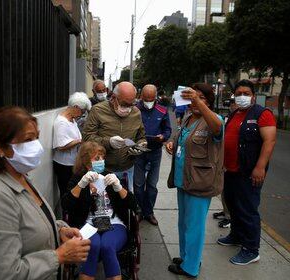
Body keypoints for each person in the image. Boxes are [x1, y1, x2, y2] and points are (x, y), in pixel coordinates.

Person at [0, 106, 91, 280]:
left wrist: (58, 230)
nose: (36, 146)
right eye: (28, 140)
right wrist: (58, 256)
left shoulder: (21, 178)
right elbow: (7, 274)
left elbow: (29, 222)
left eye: (36, 138)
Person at [165, 84, 224, 278]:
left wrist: (197, 101)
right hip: (184, 179)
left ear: (208, 101)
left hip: (200, 182)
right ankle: (186, 258)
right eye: (193, 98)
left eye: (201, 98)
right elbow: (182, 137)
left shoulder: (214, 120)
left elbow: (217, 128)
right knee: (184, 223)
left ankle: (191, 268)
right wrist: (173, 143)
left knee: (195, 226)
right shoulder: (189, 117)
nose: (196, 102)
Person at [217, 79, 276, 265]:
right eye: (239, 93)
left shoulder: (262, 114)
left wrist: (260, 167)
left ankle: (251, 249)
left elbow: (269, 141)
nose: (242, 96)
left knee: (248, 210)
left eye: (246, 93)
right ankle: (236, 235)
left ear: (253, 95)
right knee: (233, 205)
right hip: (231, 170)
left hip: (248, 171)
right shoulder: (235, 114)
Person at [62, 141, 137, 280]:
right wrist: (81, 185)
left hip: (114, 222)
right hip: (87, 224)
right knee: (93, 244)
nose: (101, 161)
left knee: (107, 246)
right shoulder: (78, 179)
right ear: (85, 160)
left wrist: (118, 187)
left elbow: (133, 205)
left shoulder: (109, 176)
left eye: (102, 157)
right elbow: (66, 205)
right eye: (97, 158)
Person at [83, 81, 147, 192]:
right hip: (102, 169)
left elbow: (141, 136)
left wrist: (141, 145)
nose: (127, 109)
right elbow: (87, 137)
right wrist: (109, 142)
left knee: (125, 204)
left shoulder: (136, 113)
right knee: (103, 206)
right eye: (124, 104)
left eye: (131, 104)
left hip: (127, 169)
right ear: (113, 97)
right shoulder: (98, 110)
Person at [134, 84, 172, 225]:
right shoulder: (135, 110)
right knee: (138, 185)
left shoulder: (162, 110)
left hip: (155, 152)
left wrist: (163, 136)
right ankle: (139, 210)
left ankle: (148, 212)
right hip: (139, 151)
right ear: (141, 96)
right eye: (146, 98)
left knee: (152, 185)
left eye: (152, 98)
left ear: (155, 97)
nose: (149, 101)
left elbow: (168, 129)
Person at [53, 92, 91, 199]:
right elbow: (61, 146)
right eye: (82, 111)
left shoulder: (72, 120)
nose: (81, 114)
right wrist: (80, 141)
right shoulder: (61, 122)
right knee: (67, 193)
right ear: (75, 107)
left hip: (72, 163)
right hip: (64, 165)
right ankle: (67, 214)